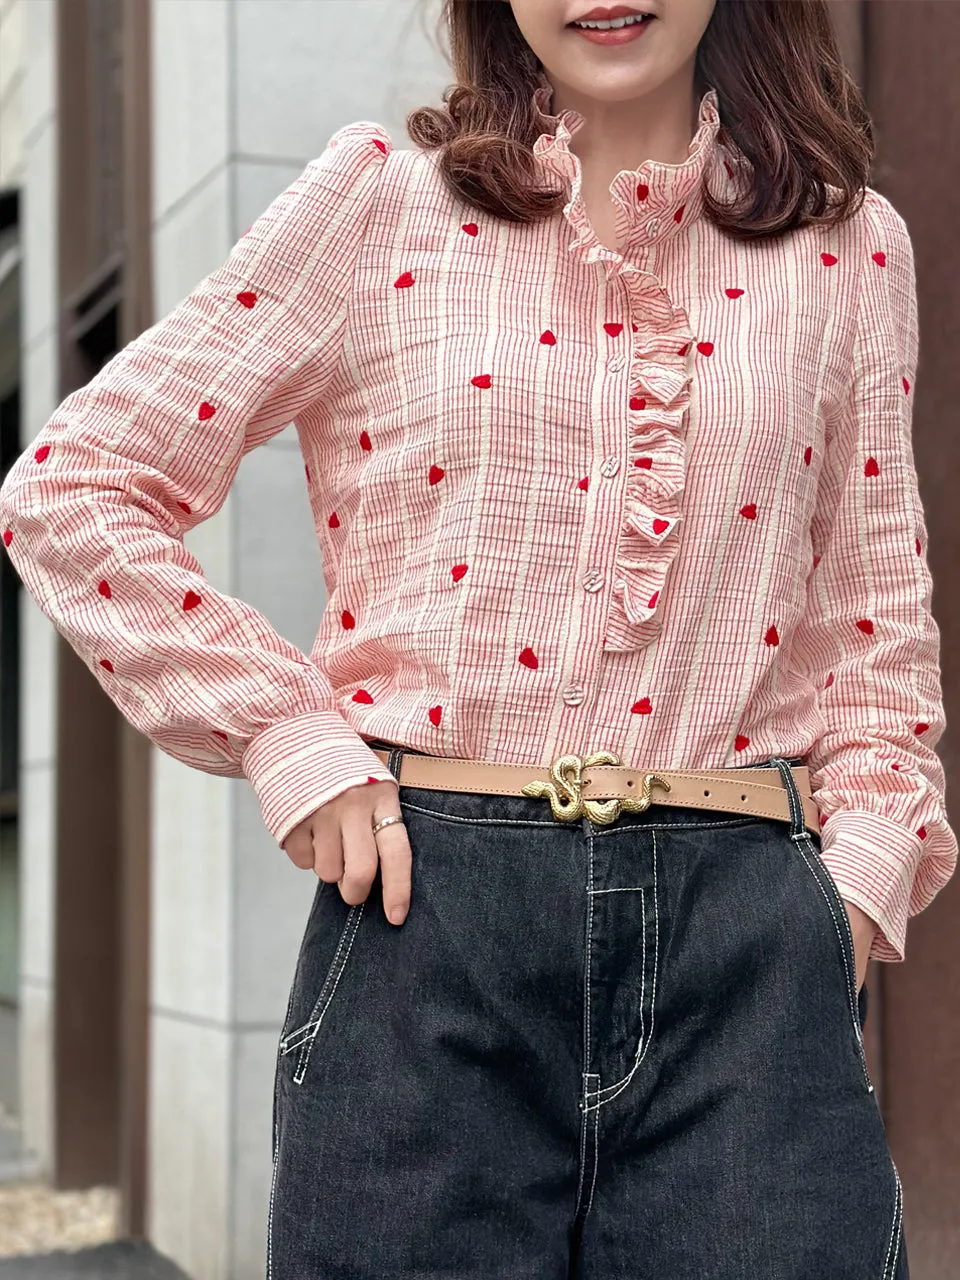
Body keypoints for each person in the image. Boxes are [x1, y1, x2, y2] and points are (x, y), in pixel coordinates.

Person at [0, 0, 954, 1274]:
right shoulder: (379, 210)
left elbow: (874, 625)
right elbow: (76, 483)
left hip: (750, 948)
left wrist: (853, 894)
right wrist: (292, 731)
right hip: (424, 928)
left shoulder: (850, 252)